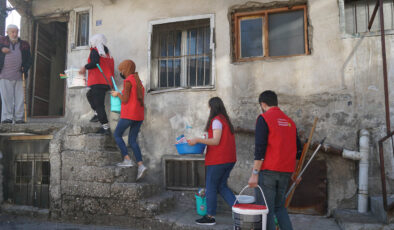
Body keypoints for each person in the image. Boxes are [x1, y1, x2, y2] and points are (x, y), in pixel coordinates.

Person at [248, 90, 302, 230]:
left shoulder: (264, 118)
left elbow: (260, 149)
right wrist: (295, 172)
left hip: (268, 172)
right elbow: (298, 150)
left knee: (266, 210)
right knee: (280, 208)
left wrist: (254, 173)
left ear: (263, 104)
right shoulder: (290, 122)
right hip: (285, 171)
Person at [188, 97, 237, 226]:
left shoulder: (216, 121)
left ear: (212, 108)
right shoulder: (225, 120)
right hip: (229, 159)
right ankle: (239, 211)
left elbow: (215, 141)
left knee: (211, 187)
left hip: (218, 160)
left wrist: (198, 140)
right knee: (221, 186)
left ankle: (210, 217)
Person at [111, 59, 147, 181]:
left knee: (117, 135)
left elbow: (125, 99)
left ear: (126, 70)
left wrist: (117, 94)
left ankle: (127, 159)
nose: (121, 72)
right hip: (139, 116)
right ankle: (141, 165)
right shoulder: (138, 81)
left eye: (121, 70)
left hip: (128, 114)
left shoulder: (128, 81)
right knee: (132, 140)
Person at [79, 34, 114, 134]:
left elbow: (95, 63)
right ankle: (97, 114)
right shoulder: (108, 53)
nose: (91, 44)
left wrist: (84, 67)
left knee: (99, 104)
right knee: (89, 95)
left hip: (98, 81)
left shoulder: (95, 51)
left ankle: (105, 127)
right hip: (106, 82)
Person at [0, 24, 31, 124]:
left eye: (16, 32)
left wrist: (25, 68)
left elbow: (29, 59)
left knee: (20, 99)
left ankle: (19, 118)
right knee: (6, 98)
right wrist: (1, 49)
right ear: (7, 32)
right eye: (12, 32)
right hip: (4, 75)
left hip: (19, 76)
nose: (15, 34)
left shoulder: (24, 44)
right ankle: (7, 118)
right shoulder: (2, 42)